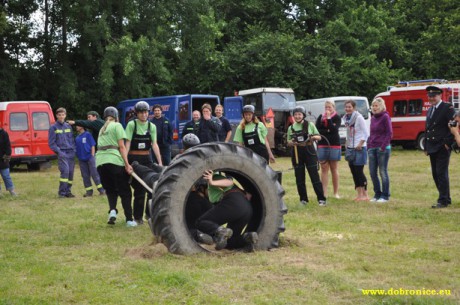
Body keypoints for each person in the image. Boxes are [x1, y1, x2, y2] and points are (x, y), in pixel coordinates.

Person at [196, 170, 258, 251]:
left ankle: (220, 231)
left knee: (201, 222)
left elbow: (229, 182)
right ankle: (248, 238)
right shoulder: (214, 190)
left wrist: (212, 182)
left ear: (202, 187)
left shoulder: (213, 178)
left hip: (234, 203)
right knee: (229, 241)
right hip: (246, 208)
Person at [96, 106, 136, 227]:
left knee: (111, 190)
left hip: (100, 163)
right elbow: (122, 147)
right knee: (125, 192)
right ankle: (129, 220)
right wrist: (127, 164)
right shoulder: (117, 126)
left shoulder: (102, 129)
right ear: (116, 116)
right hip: (114, 161)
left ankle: (112, 210)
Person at [125, 101, 163, 224]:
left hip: (147, 159)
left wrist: (160, 162)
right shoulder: (132, 125)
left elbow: (155, 145)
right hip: (134, 160)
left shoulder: (152, 126)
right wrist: (125, 162)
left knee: (152, 188)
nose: (144, 114)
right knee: (139, 190)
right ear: (137, 113)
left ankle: (149, 214)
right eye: (141, 112)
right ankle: (138, 217)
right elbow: (127, 144)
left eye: (146, 112)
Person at [287, 106, 326, 206]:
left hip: (309, 151)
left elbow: (319, 137)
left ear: (303, 115)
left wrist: (311, 137)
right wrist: (292, 142)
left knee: (314, 176)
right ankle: (303, 200)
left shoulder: (310, 125)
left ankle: (321, 199)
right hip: (297, 153)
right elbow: (288, 142)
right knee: (299, 177)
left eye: (299, 114)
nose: (297, 116)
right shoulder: (291, 128)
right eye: (295, 114)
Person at [424, 86, 455, 209]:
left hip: (442, 146)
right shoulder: (430, 110)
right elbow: (427, 129)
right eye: (429, 96)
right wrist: (426, 146)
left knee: (441, 173)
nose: (431, 98)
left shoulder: (447, 108)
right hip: (432, 146)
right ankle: (446, 197)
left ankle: (443, 200)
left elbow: (453, 125)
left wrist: (448, 143)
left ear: (440, 96)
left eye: (434, 96)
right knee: (435, 173)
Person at [343, 100, 369, 201]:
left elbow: (366, 133)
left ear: (354, 108)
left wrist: (360, 144)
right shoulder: (346, 119)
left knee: (359, 171)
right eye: (346, 107)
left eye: (349, 107)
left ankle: (365, 195)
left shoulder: (359, 118)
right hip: (350, 148)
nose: (347, 109)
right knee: (353, 171)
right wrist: (346, 142)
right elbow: (348, 132)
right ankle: (359, 195)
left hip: (359, 148)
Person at [367, 98, 393, 203]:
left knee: (382, 171)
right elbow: (371, 133)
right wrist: (369, 146)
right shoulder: (372, 118)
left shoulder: (385, 117)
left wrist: (382, 146)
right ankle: (377, 194)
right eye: (373, 106)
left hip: (383, 148)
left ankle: (385, 195)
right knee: (372, 172)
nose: (374, 107)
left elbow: (389, 133)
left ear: (381, 106)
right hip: (372, 147)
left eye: (376, 105)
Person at [315, 100, 342, 198]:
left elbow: (334, 130)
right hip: (322, 144)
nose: (327, 109)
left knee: (334, 168)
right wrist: (328, 130)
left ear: (333, 108)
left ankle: (336, 193)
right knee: (324, 168)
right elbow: (318, 130)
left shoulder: (337, 117)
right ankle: (324, 193)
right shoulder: (320, 117)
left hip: (334, 144)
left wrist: (329, 119)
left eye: (329, 107)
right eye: (326, 107)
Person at [48, 107, 76, 198]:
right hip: (62, 152)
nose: (61, 116)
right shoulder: (53, 127)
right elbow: (51, 143)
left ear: (65, 115)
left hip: (71, 152)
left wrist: (74, 150)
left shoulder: (68, 126)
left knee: (71, 173)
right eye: (59, 115)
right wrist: (59, 152)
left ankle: (68, 191)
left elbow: (71, 139)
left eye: (63, 115)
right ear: (56, 116)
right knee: (65, 172)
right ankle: (62, 193)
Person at [75, 125, 105, 197]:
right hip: (81, 159)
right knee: (85, 176)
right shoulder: (77, 138)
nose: (76, 127)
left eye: (78, 125)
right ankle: (89, 191)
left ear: (82, 127)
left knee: (95, 174)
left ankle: (102, 190)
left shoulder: (88, 134)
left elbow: (92, 145)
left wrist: (92, 155)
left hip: (90, 157)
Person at [0, 127, 17, 196]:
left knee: (6, 175)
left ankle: (11, 190)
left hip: (3, 159)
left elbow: (8, 146)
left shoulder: (4, 133)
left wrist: (7, 156)